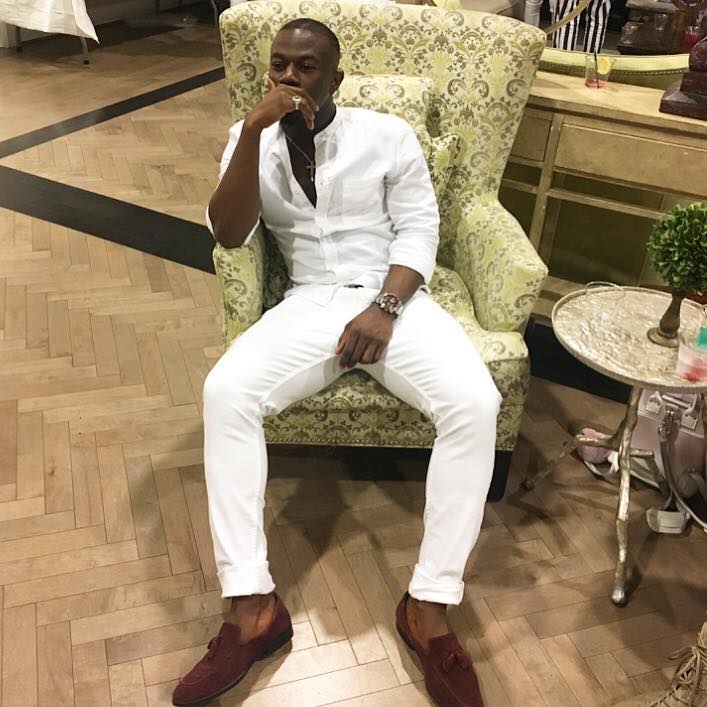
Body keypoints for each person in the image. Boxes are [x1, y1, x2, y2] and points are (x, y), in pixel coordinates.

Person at [172, 17, 501, 707]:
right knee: (226, 392)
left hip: (393, 299)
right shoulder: (249, 139)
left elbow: (419, 229)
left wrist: (385, 306)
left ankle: (428, 605)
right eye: (280, 64)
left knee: (476, 403)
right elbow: (228, 232)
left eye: (307, 66)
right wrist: (252, 133)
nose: (290, 76)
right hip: (308, 303)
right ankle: (252, 606)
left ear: (335, 78)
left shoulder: (387, 135)